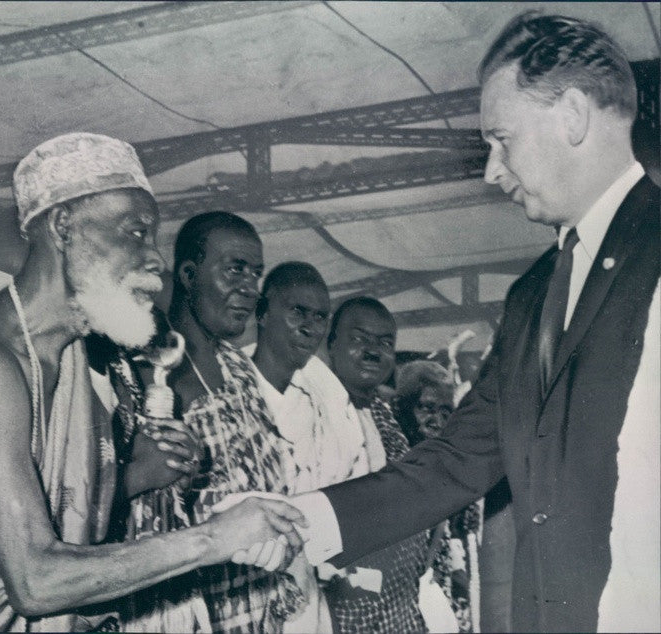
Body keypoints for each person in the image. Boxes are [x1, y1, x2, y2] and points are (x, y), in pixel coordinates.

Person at [240, 12, 659, 632]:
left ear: (572, 116)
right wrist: (294, 518)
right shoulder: (533, 295)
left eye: (502, 139)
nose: (492, 171)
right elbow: (456, 460)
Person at [0, 133, 306, 632]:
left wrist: (138, 473)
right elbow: (36, 581)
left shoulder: (72, 361)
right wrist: (214, 538)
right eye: (136, 232)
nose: (155, 260)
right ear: (64, 227)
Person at [148, 211, 309, 633]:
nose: (249, 289)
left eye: (256, 275)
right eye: (234, 270)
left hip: (265, 612)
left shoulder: (238, 367)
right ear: (188, 274)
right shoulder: (153, 374)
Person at [247, 262, 369, 632]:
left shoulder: (327, 396)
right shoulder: (228, 386)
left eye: (320, 316)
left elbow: (351, 487)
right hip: (239, 588)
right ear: (263, 312)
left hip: (305, 592)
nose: (310, 326)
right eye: (296, 311)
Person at [319, 297, 436, 634]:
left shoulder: (385, 418)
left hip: (398, 613)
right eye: (359, 339)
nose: (373, 351)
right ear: (331, 344)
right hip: (343, 616)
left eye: (385, 343)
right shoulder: (314, 415)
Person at [395, 360, 481, 633]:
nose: (438, 421)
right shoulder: (387, 465)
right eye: (426, 408)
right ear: (400, 408)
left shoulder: (444, 463)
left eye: (446, 412)